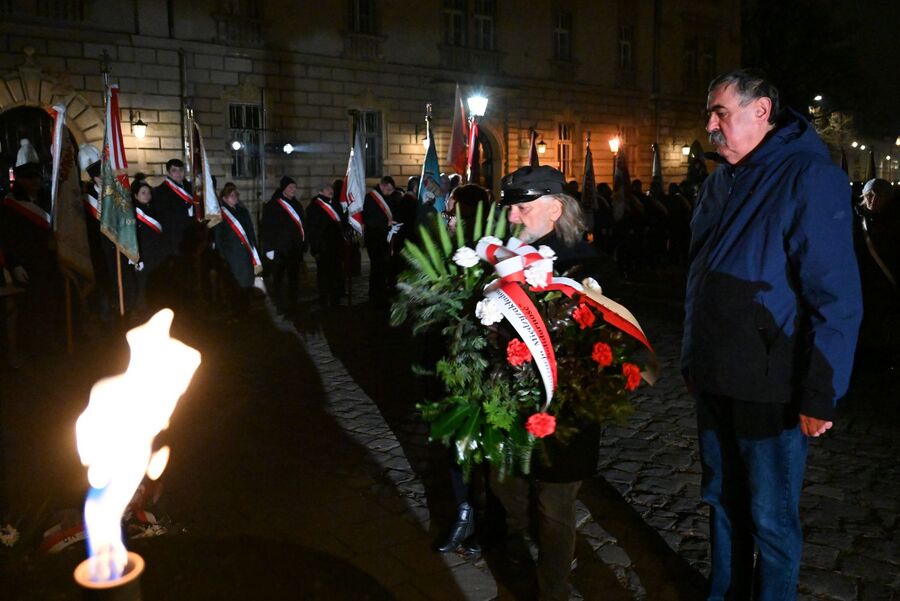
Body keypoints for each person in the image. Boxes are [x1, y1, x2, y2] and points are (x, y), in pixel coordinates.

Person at [682, 69, 862, 600]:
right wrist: (694, 358)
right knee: (721, 500)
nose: (711, 124)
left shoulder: (807, 175)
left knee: (771, 518)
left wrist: (821, 392)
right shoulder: (719, 182)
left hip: (771, 382)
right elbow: (699, 280)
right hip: (717, 376)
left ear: (761, 110)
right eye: (709, 113)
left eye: (722, 112)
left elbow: (835, 295)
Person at [490, 165, 615, 600]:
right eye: (511, 209)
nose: (512, 219)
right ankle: (534, 552)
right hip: (511, 404)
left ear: (555, 207)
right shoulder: (507, 258)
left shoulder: (587, 266)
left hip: (566, 412)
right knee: (507, 487)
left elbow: (605, 347)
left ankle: (553, 590)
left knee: (555, 507)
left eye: (523, 208)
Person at [854, 178, 900, 369]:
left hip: (885, 285)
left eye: (878, 196)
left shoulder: (894, 221)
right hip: (861, 284)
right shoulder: (854, 220)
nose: (873, 200)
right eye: (869, 195)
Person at [214, 182, 262, 319]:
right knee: (235, 285)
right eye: (231, 196)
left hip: (245, 254)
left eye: (236, 195)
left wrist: (254, 248)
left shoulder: (242, 211)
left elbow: (250, 231)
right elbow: (218, 238)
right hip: (232, 256)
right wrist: (222, 256)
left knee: (247, 283)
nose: (235, 198)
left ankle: (245, 309)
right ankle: (235, 310)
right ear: (224, 198)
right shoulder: (221, 214)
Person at [261, 176, 306, 314]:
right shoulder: (273, 206)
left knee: (294, 279)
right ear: (284, 189)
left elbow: (303, 226)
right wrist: (269, 248)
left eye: (294, 187)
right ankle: (277, 305)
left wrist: (304, 243)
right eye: (290, 187)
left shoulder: (297, 205)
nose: (293, 189)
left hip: (294, 249)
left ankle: (293, 304)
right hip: (280, 249)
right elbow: (266, 228)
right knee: (278, 280)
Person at [306, 183, 346, 308]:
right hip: (323, 247)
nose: (331, 191)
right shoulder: (314, 207)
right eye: (328, 189)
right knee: (324, 275)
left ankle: (336, 300)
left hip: (336, 246)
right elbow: (313, 230)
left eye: (331, 189)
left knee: (337, 273)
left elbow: (342, 221)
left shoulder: (336, 204)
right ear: (320, 191)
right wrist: (316, 248)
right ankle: (324, 300)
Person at [130, 179, 166, 314]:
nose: (147, 195)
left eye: (148, 193)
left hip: (156, 254)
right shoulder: (133, 214)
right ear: (135, 195)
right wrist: (137, 258)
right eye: (143, 193)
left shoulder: (155, 210)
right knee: (143, 284)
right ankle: (141, 310)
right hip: (143, 255)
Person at [361, 175, 395, 306]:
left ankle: (381, 293)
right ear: (382, 185)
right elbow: (369, 220)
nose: (390, 192)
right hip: (374, 239)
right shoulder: (370, 198)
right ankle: (374, 296)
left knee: (382, 268)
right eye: (388, 189)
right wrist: (386, 222)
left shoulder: (386, 197)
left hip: (383, 238)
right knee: (376, 268)